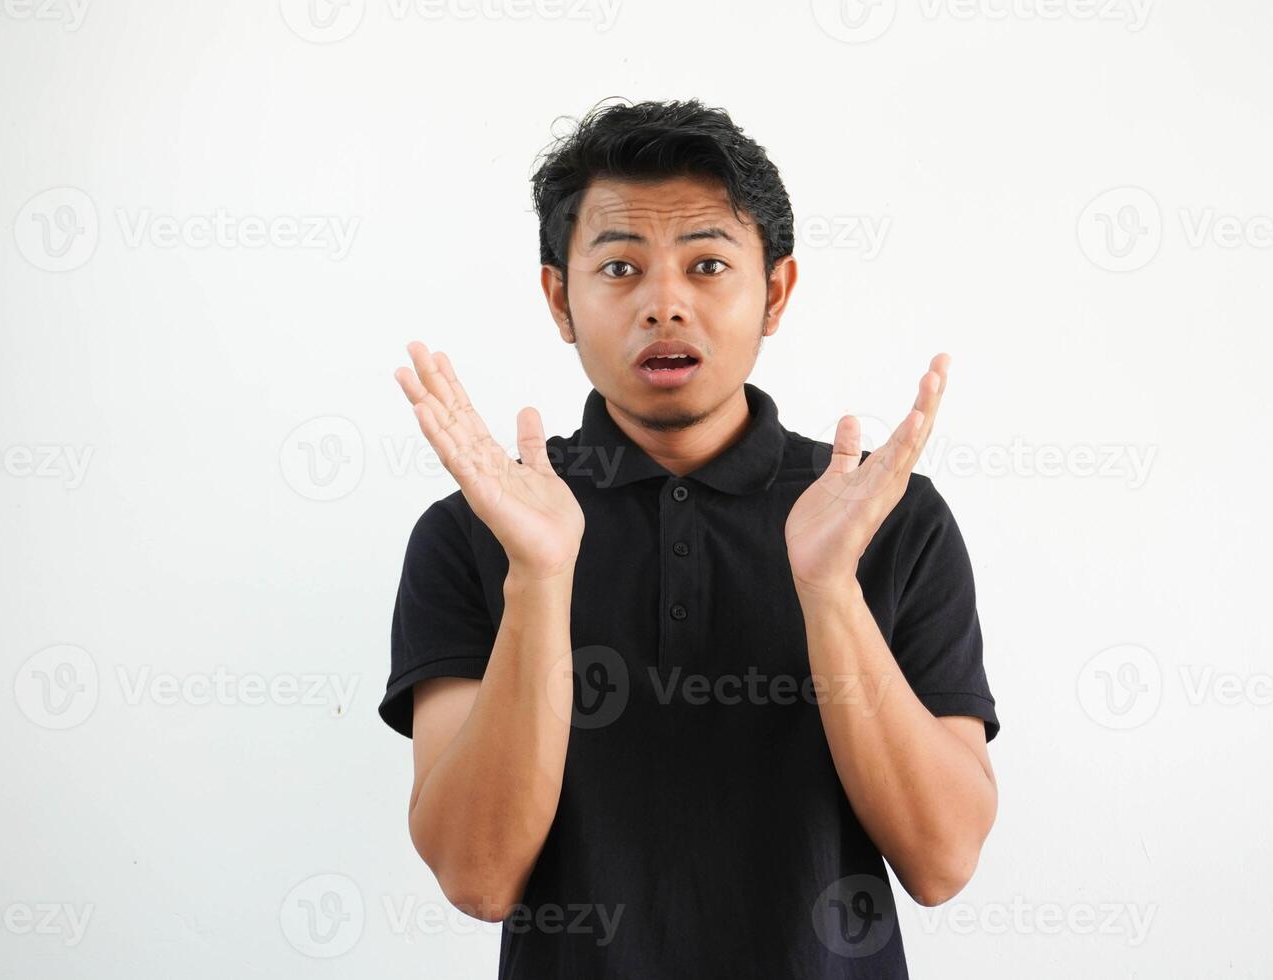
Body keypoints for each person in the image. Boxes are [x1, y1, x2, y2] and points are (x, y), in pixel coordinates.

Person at [379, 97, 1001, 979]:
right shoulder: (474, 532)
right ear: (560, 297)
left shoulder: (889, 517)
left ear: (774, 292)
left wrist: (830, 593)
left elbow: (943, 864)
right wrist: (540, 578)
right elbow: (479, 879)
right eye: (620, 268)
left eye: (708, 264)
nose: (664, 305)